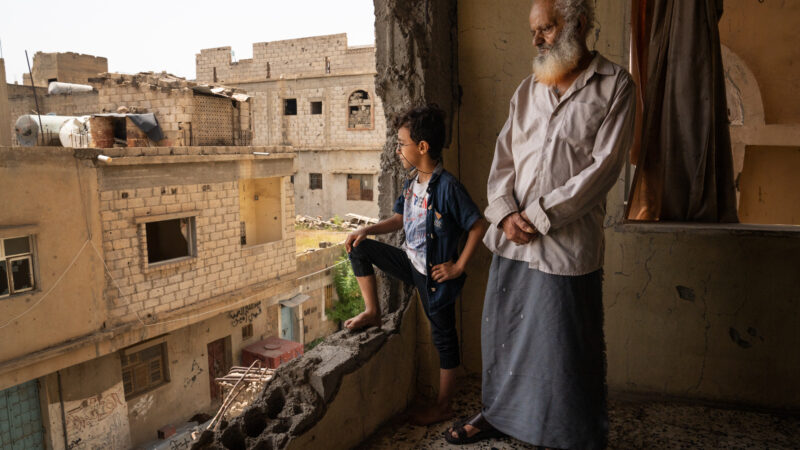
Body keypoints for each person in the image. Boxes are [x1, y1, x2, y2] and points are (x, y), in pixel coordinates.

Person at [445, 0, 635, 448]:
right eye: (535, 30)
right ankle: (497, 414)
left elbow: (603, 169)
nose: (536, 40)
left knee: (562, 346)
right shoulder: (528, 90)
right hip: (512, 240)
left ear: (579, 24)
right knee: (504, 335)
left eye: (546, 29)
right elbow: (503, 160)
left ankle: (567, 435)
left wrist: (537, 216)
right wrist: (506, 214)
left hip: (565, 245)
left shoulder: (615, 86)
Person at [345, 104, 487, 425]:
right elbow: (399, 218)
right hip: (411, 262)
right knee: (359, 248)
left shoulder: (447, 187)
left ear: (422, 147)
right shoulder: (411, 183)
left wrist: (457, 266)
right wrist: (367, 229)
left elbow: (477, 225)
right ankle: (372, 311)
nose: (397, 150)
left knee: (444, 339)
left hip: (434, 276)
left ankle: (443, 406)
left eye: (401, 143)